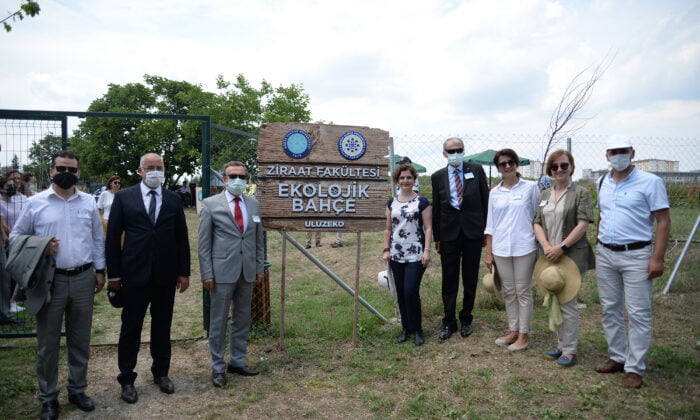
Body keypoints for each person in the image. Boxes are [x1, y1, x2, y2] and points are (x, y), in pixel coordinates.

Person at [10, 151, 106, 418]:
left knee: (80, 340)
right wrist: (41, 246)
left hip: (84, 277)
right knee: (48, 343)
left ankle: (77, 390)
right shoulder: (35, 202)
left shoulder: (88, 201)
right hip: (49, 281)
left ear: (78, 173)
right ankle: (48, 398)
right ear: (51, 170)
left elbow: (98, 239)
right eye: (62, 168)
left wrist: (100, 270)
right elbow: (16, 237)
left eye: (72, 170)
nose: (67, 174)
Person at [106, 153, 190, 403]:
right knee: (131, 328)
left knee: (162, 326)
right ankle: (127, 379)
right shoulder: (123, 197)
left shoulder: (174, 199)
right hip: (134, 275)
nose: (155, 171)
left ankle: (161, 373)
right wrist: (115, 275)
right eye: (150, 168)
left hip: (165, 275)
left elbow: (181, 238)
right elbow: (112, 239)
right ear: (140, 171)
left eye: (159, 167)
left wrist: (183, 272)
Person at [594, 135, 670, 389]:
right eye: (613, 152)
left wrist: (657, 258)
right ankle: (618, 356)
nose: (618, 156)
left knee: (638, 313)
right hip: (606, 253)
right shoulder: (602, 181)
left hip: (637, 255)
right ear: (606, 156)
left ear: (632, 152)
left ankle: (635, 368)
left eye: (622, 151)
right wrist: (598, 241)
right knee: (610, 308)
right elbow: (602, 214)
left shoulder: (651, 182)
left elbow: (663, 221)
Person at [198, 161, 264, 387]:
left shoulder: (253, 205)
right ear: (224, 180)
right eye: (233, 176)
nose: (238, 180)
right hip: (221, 273)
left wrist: (258, 268)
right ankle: (217, 367)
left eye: (242, 177)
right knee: (218, 322)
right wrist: (207, 273)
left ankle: (237, 360)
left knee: (242, 319)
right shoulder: (209, 205)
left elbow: (257, 240)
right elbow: (204, 245)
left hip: (247, 272)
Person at [533, 150, 595, 366]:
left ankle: (569, 349)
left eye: (564, 166)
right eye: (555, 167)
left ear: (571, 167)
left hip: (571, 256)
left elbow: (583, 224)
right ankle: (560, 344)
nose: (559, 170)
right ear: (550, 170)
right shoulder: (544, 195)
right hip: (548, 255)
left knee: (568, 302)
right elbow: (537, 222)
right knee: (553, 300)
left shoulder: (581, 193)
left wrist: (561, 246)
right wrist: (547, 246)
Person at [431, 137, 489, 340]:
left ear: (464, 150)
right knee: (449, 279)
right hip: (448, 234)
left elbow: (485, 201)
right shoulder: (437, 176)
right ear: (444, 154)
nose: (455, 153)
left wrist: (486, 232)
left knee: (470, 277)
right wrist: (437, 237)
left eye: (459, 149)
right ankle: (448, 322)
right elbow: (436, 208)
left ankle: (466, 319)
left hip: (473, 232)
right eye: (451, 150)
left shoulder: (476, 170)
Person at [484, 149, 539, 351]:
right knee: (508, 291)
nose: (507, 166)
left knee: (522, 291)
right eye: (502, 164)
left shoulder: (530, 188)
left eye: (510, 162)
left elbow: (536, 217)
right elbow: (491, 224)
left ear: (516, 164)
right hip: (501, 249)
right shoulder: (494, 193)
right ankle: (513, 330)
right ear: (497, 168)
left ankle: (524, 335)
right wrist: (489, 252)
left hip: (525, 246)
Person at [382, 163, 432, 346]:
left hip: (416, 254)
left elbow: (428, 228)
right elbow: (388, 229)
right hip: (396, 254)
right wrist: (386, 249)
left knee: (411, 291)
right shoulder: (391, 203)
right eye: (402, 178)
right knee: (401, 293)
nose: (405, 181)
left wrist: (427, 251)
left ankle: (418, 329)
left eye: (409, 177)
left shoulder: (422, 202)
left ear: (414, 180)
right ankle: (406, 328)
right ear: (397, 180)